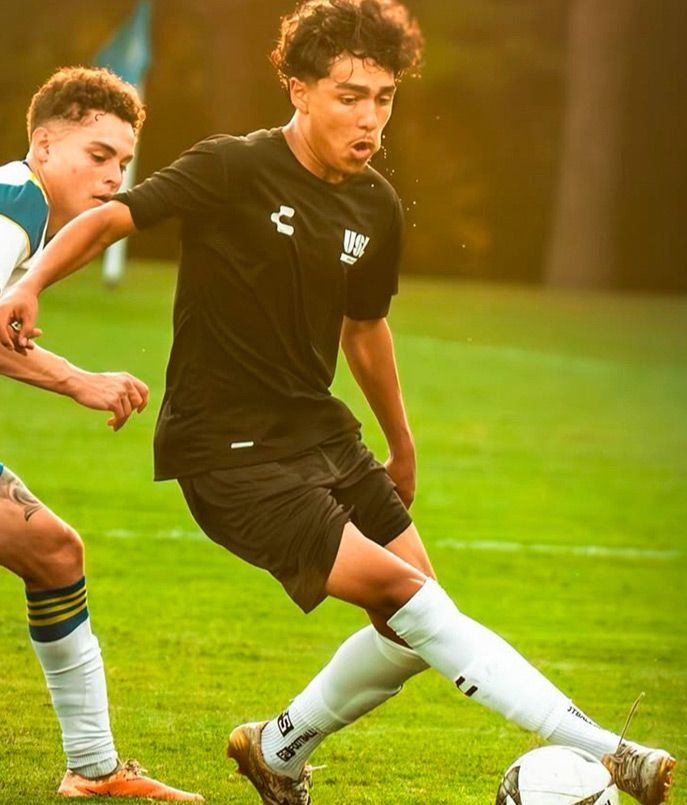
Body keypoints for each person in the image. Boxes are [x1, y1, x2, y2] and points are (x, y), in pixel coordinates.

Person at [0, 5, 676, 804]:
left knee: (415, 626)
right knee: (411, 601)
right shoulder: (232, 166)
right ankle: (609, 752)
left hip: (320, 432)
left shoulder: (375, 206)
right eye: (349, 96)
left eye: (383, 98)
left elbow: (365, 328)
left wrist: (402, 441)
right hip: (228, 449)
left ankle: (276, 749)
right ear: (299, 89)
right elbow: (115, 218)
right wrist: (33, 284)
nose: (369, 117)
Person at [0, 66, 202, 801]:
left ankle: (92, 769)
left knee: (53, 553)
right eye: (98, 155)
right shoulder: (18, 202)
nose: (115, 176)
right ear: (43, 144)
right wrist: (80, 380)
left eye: (123, 161)